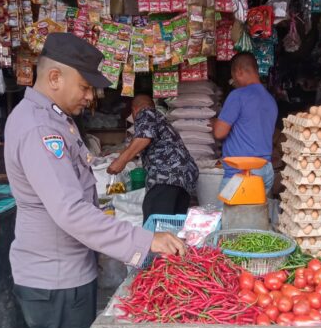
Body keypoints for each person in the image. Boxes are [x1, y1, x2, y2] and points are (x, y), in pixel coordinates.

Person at [4, 33, 185, 328]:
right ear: (55, 77)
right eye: (85, 87)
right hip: (56, 278)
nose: (91, 97)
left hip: (64, 269)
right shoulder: (40, 129)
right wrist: (145, 241)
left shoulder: (52, 119)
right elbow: (70, 211)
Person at [107, 95, 199, 221]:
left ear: (134, 110)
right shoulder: (159, 120)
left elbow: (144, 138)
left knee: (155, 224)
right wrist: (120, 155)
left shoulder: (145, 112)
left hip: (166, 178)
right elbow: (139, 142)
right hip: (183, 179)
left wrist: (120, 162)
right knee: (173, 226)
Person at [212, 52, 278, 195]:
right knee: (254, 216)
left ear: (239, 72)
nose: (233, 82)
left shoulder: (238, 96)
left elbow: (219, 132)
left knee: (227, 217)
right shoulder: (270, 100)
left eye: (233, 78)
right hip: (265, 170)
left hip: (243, 172)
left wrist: (213, 123)